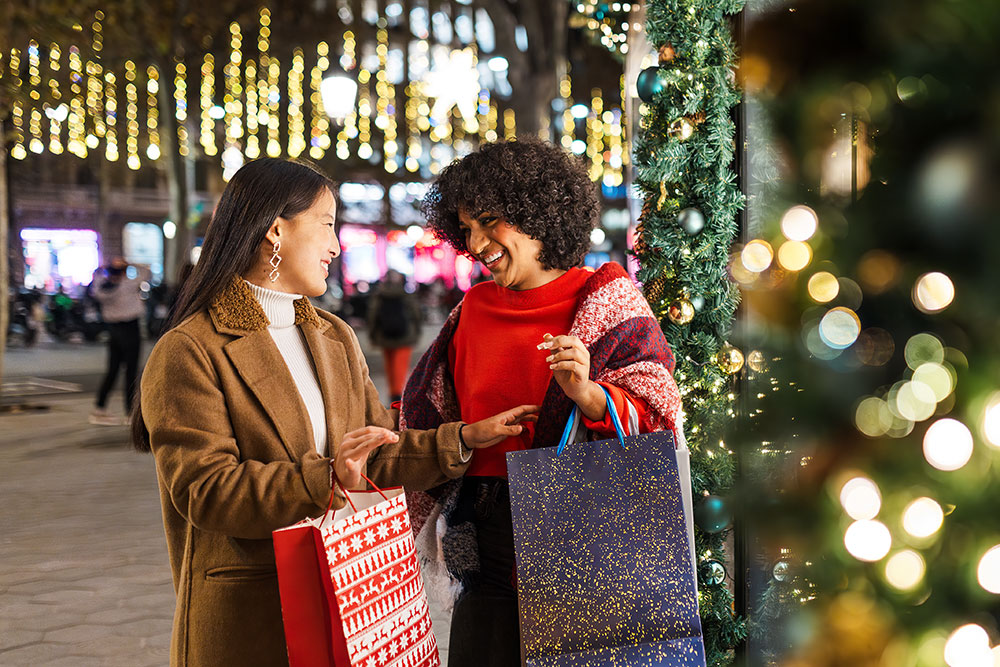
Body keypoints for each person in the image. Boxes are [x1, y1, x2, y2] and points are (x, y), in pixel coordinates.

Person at [131, 157, 539, 667]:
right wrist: (325, 479)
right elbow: (206, 492)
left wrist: (461, 439)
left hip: (349, 601)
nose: (336, 245)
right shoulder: (190, 350)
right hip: (255, 616)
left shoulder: (332, 336)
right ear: (275, 230)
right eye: (326, 224)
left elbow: (376, 448)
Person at [401, 138, 684, 666]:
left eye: (490, 220)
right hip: (481, 532)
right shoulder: (472, 310)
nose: (477, 241)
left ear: (538, 213)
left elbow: (660, 418)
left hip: (585, 532)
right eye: (466, 228)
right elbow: (430, 411)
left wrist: (590, 395)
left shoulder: (607, 299)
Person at [90, 257, 150, 426]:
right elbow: (146, 272)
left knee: (113, 369)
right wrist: (130, 263)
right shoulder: (127, 285)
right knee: (131, 371)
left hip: (113, 330)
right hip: (130, 328)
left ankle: (100, 408)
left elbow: (95, 280)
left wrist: (103, 268)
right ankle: (130, 412)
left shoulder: (103, 288)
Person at [367, 269, 423, 402]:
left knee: (390, 366)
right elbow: (416, 315)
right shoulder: (406, 295)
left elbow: (372, 316)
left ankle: (393, 393)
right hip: (405, 336)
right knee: (400, 367)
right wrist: (416, 332)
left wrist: (373, 335)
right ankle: (397, 395)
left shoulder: (380, 295)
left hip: (385, 336)